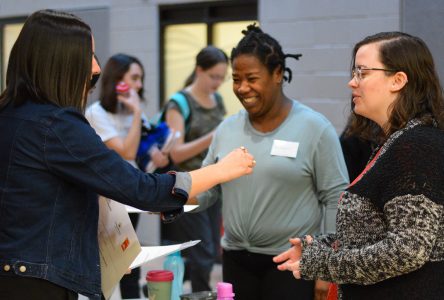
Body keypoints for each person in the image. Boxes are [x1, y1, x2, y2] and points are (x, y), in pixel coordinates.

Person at [0, 9, 255, 300]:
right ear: (63, 61)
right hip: (34, 282)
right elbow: (140, 188)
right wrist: (222, 169)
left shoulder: (11, 115)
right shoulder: (57, 125)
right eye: (89, 56)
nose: (95, 68)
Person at [274, 31, 444, 300]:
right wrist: (320, 246)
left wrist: (322, 264)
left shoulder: (417, 145)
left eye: (362, 73)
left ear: (398, 80)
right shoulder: (396, 141)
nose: (352, 83)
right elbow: (379, 235)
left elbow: (408, 249)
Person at [193, 24, 349, 300]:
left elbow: (336, 198)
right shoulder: (227, 129)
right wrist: (173, 198)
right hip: (236, 260)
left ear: (277, 74)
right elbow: (208, 189)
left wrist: (327, 265)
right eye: (236, 79)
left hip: (291, 262)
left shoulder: (314, 128)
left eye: (252, 78)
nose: (242, 88)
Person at [85, 53, 167, 299]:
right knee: (107, 262)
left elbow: (137, 156)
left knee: (132, 257)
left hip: (130, 192)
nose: (139, 85)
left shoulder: (133, 112)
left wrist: (157, 156)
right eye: (135, 78)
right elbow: (126, 150)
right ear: (117, 80)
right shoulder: (96, 112)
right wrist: (136, 113)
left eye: (140, 78)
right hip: (106, 197)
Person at [161, 45, 228, 292]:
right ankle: (199, 294)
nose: (218, 82)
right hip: (189, 183)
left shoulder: (217, 99)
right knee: (204, 252)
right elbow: (175, 151)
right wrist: (213, 136)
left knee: (211, 247)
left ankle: (183, 286)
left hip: (214, 181)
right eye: (213, 76)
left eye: (222, 77)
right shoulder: (179, 103)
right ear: (199, 70)